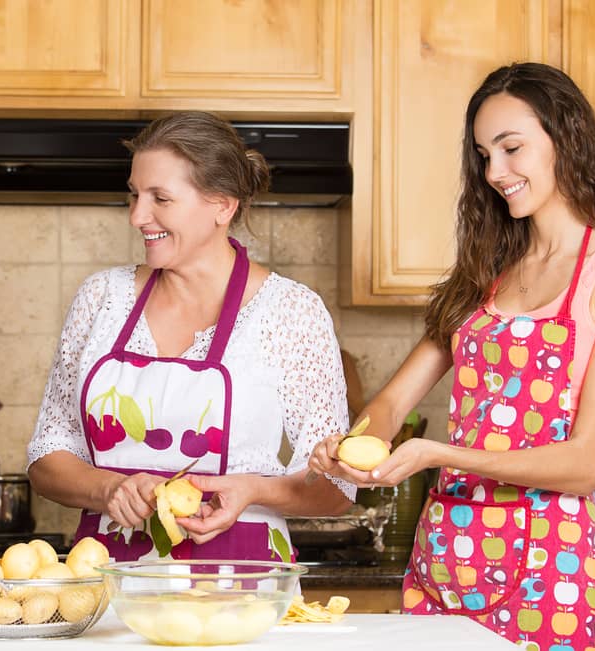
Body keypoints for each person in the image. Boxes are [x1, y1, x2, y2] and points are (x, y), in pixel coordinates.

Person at [310, 62, 595, 650]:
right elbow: (395, 400)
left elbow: (585, 464)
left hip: (549, 569)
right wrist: (353, 444)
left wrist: (437, 453)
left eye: (512, 148)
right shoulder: (487, 270)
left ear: (566, 137)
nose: (495, 172)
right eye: (483, 155)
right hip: (446, 556)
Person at [27, 111, 355, 561]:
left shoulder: (291, 312)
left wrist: (252, 491)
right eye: (135, 195)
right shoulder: (102, 297)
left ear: (222, 205)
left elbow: (337, 486)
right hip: (106, 578)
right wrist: (111, 489)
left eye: (160, 198)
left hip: (241, 583)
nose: (138, 216)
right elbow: (47, 460)